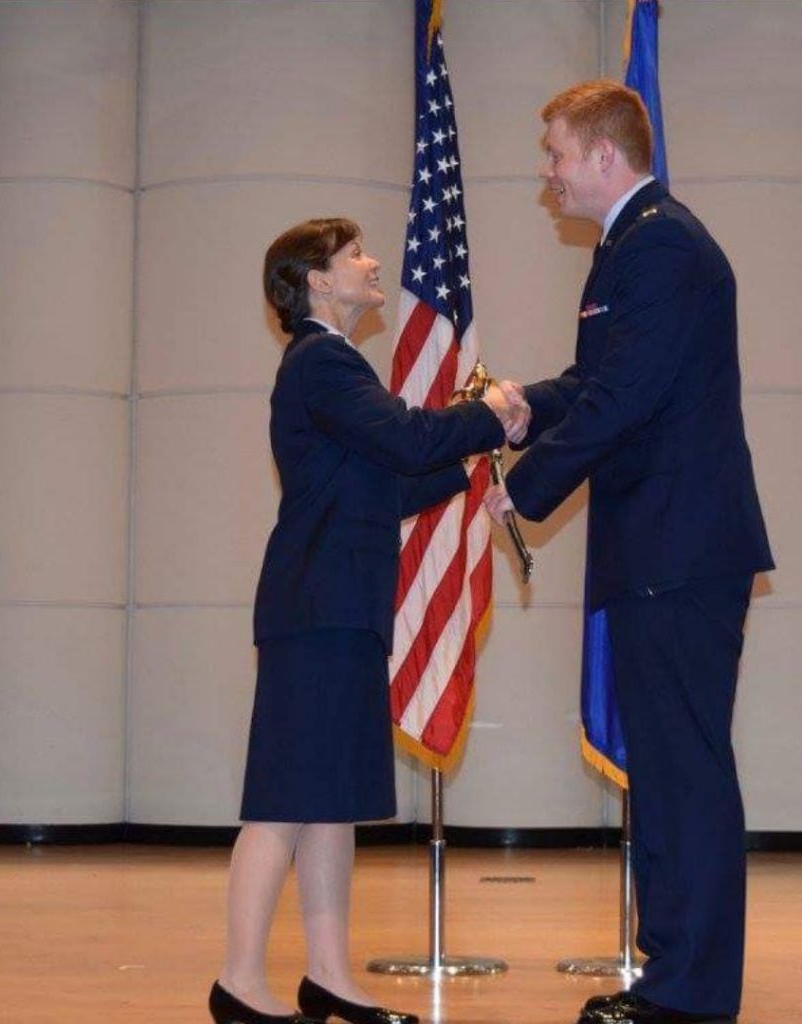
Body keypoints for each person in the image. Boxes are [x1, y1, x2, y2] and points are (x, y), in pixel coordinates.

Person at [485, 81, 774, 1024]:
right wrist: (528, 403)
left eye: (557, 154)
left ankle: (690, 997)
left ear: (605, 156)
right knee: (667, 772)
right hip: (661, 547)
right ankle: (672, 979)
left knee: (683, 773)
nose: (548, 173)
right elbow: (598, 382)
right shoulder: (633, 245)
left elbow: (627, 399)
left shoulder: (661, 247)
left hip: (681, 551)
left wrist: (522, 491)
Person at [209, 217, 526, 1024]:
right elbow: (402, 436)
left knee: (330, 798)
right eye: (353, 255)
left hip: (338, 607)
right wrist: (486, 413)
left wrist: (464, 472)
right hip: (318, 607)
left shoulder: (332, 365)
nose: (371, 262)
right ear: (316, 280)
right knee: (284, 799)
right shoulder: (321, 361)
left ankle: (328, 978)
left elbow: (381, 485)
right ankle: (240, 983)